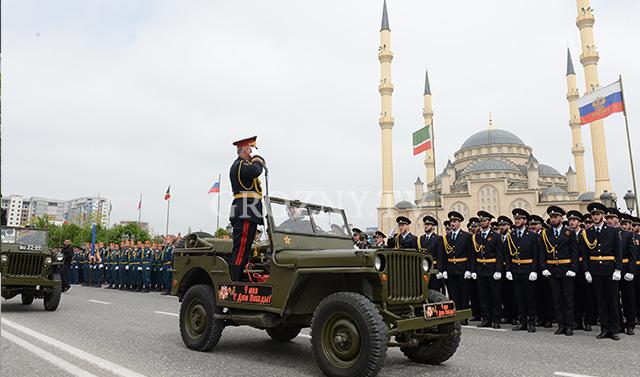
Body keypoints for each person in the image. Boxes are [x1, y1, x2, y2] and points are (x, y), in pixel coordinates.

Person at [582, 203, 623, 340]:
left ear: (603, 216)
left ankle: (614, 329)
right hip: (595, 270)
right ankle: (604, 329)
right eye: (593, 215)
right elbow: (586, 254)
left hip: (610, 269)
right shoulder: (587, 233)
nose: (595, 217)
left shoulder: (612, 231)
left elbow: (618, 252)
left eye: (598, 214)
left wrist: (618, 269)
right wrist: (586, 270)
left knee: (612, 300)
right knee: (601, 301)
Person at [229, 136, 265, 281]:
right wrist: (258, 159)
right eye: (250, 148)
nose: (251, 152)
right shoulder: (240, 165)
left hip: (248, 210)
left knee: (245, 247)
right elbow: (255, 171)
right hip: (245, 210)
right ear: (244, 149)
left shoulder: (243, 164)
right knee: (242, 248)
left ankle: (239, 275)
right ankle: (235, 280)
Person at [539, 206, 579, 336]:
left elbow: (574, 252)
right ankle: (561, 325)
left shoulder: (569, 232)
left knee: (568, 298)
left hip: (566, 269)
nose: (553, 219)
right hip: (552, 270)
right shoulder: (546, 234)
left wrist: (573, 268)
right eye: (551, 217)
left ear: (561, 218)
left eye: (555, 217)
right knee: (556, 299)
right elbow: (542, 253)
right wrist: (543, 267)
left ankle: (569, 325)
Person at [505, 208, 539, 333]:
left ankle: (531, 322)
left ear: (525, 221)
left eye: (519, 219)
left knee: (530, 297)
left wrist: (534, 270)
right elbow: (507, 254)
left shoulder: (532, 236)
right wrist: (508, 270)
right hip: (515, 270)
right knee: (518, 297)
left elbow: (536, 254)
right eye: (516, 219)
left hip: (528, 270)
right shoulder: (511, 236)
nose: (517, 221)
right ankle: (522, 321)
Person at [442, 211, 473, 325]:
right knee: (453, 293)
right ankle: (455, 315)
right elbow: (444, 255)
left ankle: (464, 316)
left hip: (462, 268)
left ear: (459, 223)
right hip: (451, 269)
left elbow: (470, 254)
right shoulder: (447, 237)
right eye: (451, 222)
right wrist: (444, 269)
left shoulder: (466, 236)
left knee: (463, 293)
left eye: (454, 221)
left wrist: (469, 269)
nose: (452, 224)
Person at [473, 211, 503, 329]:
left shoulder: (496, 236)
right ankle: (486, 319)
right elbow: (474, 255)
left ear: (489, 222)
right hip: (481, 269)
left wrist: (498, 270)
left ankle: (496, 319)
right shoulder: (477, 236)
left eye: (484, 221)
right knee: (483, 295)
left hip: (492, 269)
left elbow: (500, 254)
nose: (482, 223)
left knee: (495, 296)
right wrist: (474, 270)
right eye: (481, 221)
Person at [617, 213, 636, 335]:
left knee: (628, 298)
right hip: (613, 269)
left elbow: (633, 255)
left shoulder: (628, 235)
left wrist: (631, 271)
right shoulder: (610, 234)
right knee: (614, 299)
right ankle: (619, 324)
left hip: (625, 267)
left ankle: (630, 323)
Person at [417, 216, 445, 294]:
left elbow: (440, 255)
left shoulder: (438, 238)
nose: (426, 226)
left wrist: (440, 270)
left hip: (434, 269)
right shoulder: (421, 239)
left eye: (428, 224)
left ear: (433, 227)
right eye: (425, 224)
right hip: (424, 269)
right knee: (424, 290)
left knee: (435, 291)